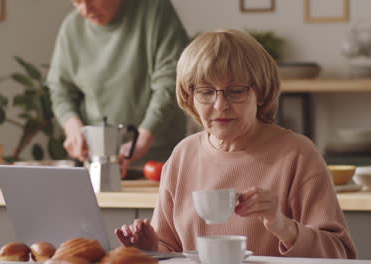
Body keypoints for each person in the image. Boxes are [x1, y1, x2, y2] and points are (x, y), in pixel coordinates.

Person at [114, 29, 357, 258]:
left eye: (236, 91)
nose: (220, 105)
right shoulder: (183, 155)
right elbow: (171, 249)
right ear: (190, 96)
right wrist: (150, 249)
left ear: (260, 93)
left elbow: (340, 255)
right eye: (206, 92)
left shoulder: (298, 155)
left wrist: (283, 226)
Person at [46, 0, 189, 176]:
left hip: (157, 165)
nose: (85, 9)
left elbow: (170, 80)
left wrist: (144, 137)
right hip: (96, 164)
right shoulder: (71, 27)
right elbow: (60, 90)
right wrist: (72, 126)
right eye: (77, 2)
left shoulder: (156, 11)